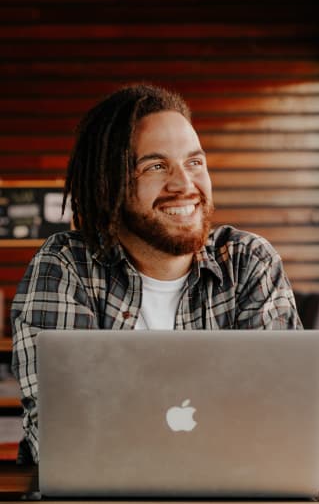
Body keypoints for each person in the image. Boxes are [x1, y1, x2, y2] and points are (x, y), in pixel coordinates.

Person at [10, 84, 302, 464]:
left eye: (194, 163)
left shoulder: (248, 262)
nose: (184, 185)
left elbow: (280, 420)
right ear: (109, 182)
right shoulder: (66, 266)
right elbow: (60, 433)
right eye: (156, 166)